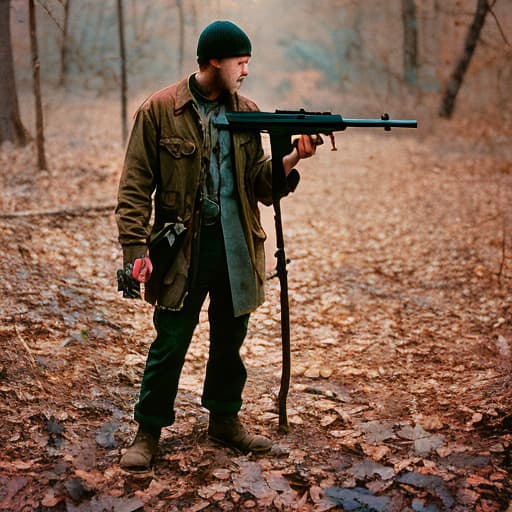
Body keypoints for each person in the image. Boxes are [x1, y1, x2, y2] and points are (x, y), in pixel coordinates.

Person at [115, 20, 319, 471]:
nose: (246, 70)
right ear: (213, 61)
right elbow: (133, 190)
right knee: (170, 342)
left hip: (236, 244)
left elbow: (262, 186)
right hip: (182, 251)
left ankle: (224, 421)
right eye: (240, 62)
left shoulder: (248, 111)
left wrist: (293, 158)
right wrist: (135, 253)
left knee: (231, 340)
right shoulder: (160, 110)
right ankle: (148, 430)